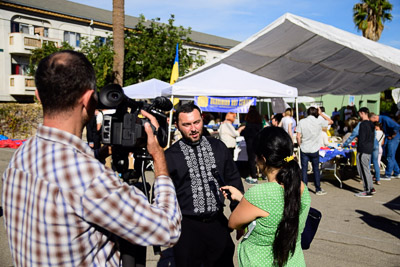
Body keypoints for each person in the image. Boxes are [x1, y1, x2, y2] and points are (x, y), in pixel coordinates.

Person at [2, 51, 181, 266]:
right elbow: (168, 229)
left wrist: (104, 153)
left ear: (38, 95)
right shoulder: (87, 176)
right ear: (88, 99)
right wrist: (159, 161)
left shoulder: (21, 156)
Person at [165, 102, 244, 267]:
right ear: (177, 126)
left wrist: (239, 218)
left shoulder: (218, 147)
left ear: (202, 119)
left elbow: (234, 180)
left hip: (217, 224)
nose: (193, 128)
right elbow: (163, 197)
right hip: (186, 228)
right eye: (186, 124)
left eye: (196, 122)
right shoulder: (170, 156)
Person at [221, 127, 311, 267]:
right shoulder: (301, 187)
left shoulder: (259, 194)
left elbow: (233, 223)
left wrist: (244, 201)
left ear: (263, 159)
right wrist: (243, 199)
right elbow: (277, 207)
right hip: (294, 261)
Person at [296, 107, 333, 195]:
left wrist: (299, 144)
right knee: (316, 169)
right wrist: (321, 114)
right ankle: (318, 188)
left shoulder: (302, 121)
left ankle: (304, 189)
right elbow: (331, 121)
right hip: (315, 148)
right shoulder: (318, 121)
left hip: (304, 148)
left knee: (304, 169)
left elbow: (298, 136)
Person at [353, 107, 375, 197]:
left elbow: (362, 138)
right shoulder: (371, 124)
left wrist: (358, 145)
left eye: (359, 114)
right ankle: (371, 187)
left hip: (363, 149)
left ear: (362, 113)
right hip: (369, 148)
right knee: (367, 169)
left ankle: (367, 190)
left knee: (363, 169)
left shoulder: (362, 124)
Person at [370, 113, 400, 179]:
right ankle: (397, 172)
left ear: (374, 118)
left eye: (371, 120)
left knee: (390, 156)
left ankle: (388, 175)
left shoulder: (385, 119)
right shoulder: (382, 120)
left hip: (393, 138)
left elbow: (397, 126)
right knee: (388, 155)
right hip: (390, 137)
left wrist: (392, 135)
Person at [241, 106, 263, 184]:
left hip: (250, 142)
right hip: (258, 141)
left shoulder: (249, 123)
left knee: (251, 159)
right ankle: (262, 173)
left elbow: (245, 133)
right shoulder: (259, 123)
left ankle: (253, 176)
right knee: (259, 158)